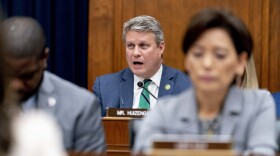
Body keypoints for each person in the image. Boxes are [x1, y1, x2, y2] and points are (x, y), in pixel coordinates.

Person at [133, 9, 277, 155]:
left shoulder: (258, 105)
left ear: (240, 63)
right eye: (198, 54)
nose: (207, 64)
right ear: (187, 61)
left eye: (219, 55)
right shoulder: (164, 111)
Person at [1, 16, 106, 153]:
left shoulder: (81, 106)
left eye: (27, 76)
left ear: (44, 58)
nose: (16, 85)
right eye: (7, 75)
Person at [93, 15, 192, 116]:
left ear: (160, 48)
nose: (136, 53)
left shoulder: (186, 87)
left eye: (143, 45)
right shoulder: (105, 87)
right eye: (130, 46)